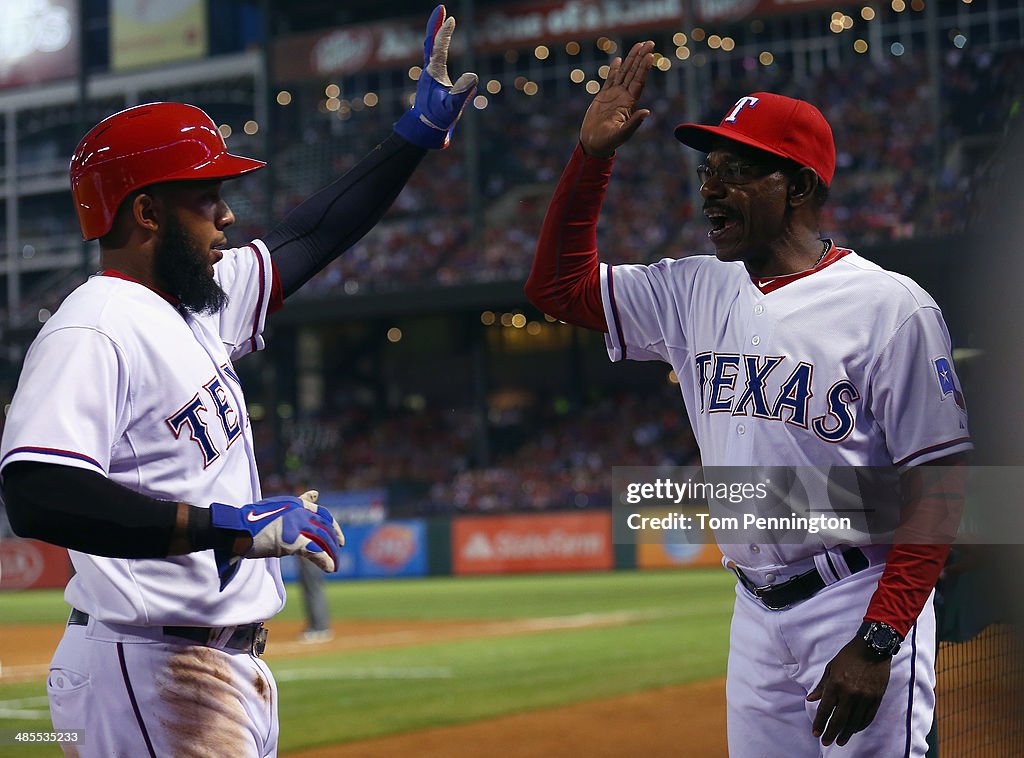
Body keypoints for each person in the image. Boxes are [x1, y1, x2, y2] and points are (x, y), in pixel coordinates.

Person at [0, 6, 475, 757]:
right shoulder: (93, 325)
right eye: (205, 195)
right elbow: (37, 492)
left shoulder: (196, 306)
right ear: (147, 212)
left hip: (205, 665)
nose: (226, 211)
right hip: (149, 668)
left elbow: (313, 233)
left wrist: (412, 136)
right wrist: (226, 527)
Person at [526, 42, 970, 756]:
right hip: (754, 610)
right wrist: (590, 157)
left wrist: (879, 639)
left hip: (856, 595)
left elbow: (940, 488)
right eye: (708, 171)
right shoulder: (693, 288)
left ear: (796, 186)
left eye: (736, 171)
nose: (710, 188)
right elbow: (555, 289)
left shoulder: (891, 308)